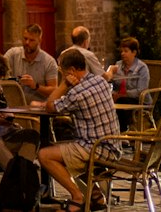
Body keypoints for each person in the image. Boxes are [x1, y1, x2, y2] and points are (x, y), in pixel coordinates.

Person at [39, 46, 120, 211]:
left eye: (62, 72)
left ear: (72, 71)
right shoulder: (100, 81)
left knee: (45, 155)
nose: (62, 75)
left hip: (97, 148)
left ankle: (77, 197)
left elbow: (49, 106)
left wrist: (63, 85)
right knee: (69, 149)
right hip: (113, 146)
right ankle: (97, 197)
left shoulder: (77, 93)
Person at [4, 23, 58, 100]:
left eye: (31, 40)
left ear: (39, 41)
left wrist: (35, 85)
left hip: (37, 107)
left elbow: (54, 90)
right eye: (25, 39)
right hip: (14, 105)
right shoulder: (12, 54)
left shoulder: (49, 61)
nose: (27, 43)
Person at [105, 36, 151, 104]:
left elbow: (141, 91)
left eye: (126, 51)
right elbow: (112, 84)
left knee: (122, 101)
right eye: (121, 51)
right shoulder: (118, 65)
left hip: (139, 101)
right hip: (120, 99)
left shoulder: (142, 68)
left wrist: (122, 95)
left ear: (134, 52)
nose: (122, 53)